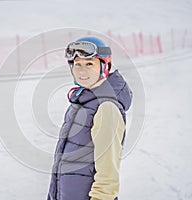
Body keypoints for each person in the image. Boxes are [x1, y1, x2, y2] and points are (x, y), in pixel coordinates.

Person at [47, 36, 132, 200]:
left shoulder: (106, 108)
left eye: (89, 64)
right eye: (77, 64)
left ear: (105, 66)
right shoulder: (82, 102)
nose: (82, 71)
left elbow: (108, 176)